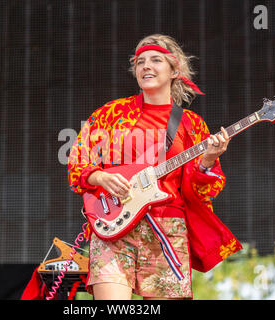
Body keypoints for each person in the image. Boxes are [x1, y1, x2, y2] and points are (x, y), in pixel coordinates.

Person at [68, 34, 241, 300]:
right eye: (140, 62)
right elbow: (78, 158)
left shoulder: (191, 124)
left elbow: (205, 191)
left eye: (156, 60)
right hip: (112, 226)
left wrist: (207, 161)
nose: (146, 66)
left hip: (166, 229)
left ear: (175, 70)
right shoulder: (110, 114)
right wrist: (100, 176)